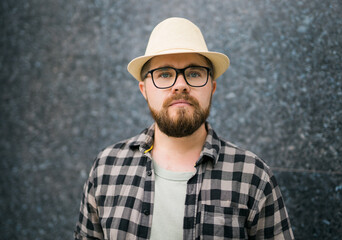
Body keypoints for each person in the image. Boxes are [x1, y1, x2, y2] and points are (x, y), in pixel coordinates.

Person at [75, 17, 294, 240]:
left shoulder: (253, 176)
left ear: (212, 87)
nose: (180, 84)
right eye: (164, 74)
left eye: (194, 73)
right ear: (144, 90)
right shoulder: (106, 168)